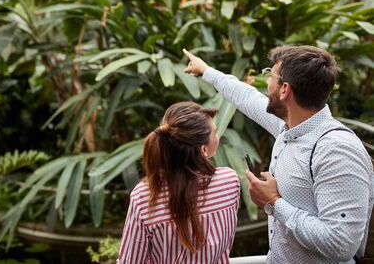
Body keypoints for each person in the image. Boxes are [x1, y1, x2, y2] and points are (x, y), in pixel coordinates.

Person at [183, 46, 374, 264]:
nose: (266, 83)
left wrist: (273, 202)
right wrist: (206, 71)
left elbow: (341, 244)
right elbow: (246, 97)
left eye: (269, 76)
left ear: (284, 90)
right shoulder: (290, 127)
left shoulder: (336, 150)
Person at [117, 101, 240, 263]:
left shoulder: (144, 196)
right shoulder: (229, 182)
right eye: (215, 133)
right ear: (203, 150)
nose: (218, 136)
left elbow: (130, 261)